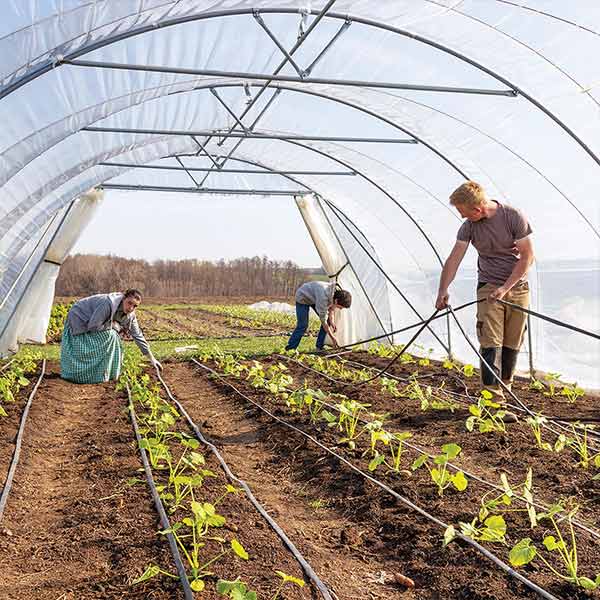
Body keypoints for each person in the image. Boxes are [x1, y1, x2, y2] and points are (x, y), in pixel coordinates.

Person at [435, 181, 535, 394]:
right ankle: (492, 399)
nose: (462, 217)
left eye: (463, 212)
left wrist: (506, 288)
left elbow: (527, 256)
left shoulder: (513, 217)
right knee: (490, 343)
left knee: (512, 343)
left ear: (477, 208)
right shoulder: (469, 227)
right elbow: (454, 259)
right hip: (488, 288)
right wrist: (442, 290)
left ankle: (505, 390)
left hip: (518, 287)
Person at [61, 288, 162, 384]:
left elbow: (138, 335)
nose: (131, 308)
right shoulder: (108, 303)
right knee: (111, 335)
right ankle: (80, 373)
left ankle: (103, 373)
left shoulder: (130, 315)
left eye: (135, 306)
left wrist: (152, 358)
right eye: (129, 303)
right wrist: (113, 326)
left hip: (94, 324)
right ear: (123, 299)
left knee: (113, 336)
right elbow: (93, 326)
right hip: (79, 318)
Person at [285, 281, 352, 351]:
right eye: (340, 307)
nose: (340, 309)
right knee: (303, 325)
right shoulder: (323, 297)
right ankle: (290, 348)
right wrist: (333, 338)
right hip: (303, 297)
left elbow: (331, 308)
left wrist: (332, 321)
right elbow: (324, 322)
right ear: (336, 301)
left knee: (329, 321)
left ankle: (319, 347)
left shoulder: (335, 293)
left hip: (314, 297)